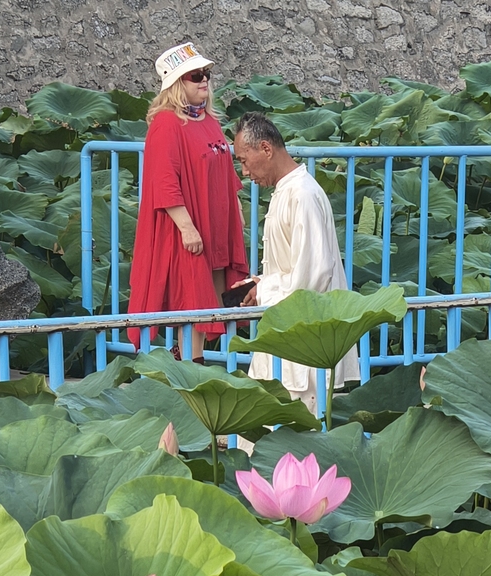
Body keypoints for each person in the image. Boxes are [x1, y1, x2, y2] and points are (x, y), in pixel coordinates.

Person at [127, 42, 249, 360]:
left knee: (217, 300)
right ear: (177, 84)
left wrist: (236, 210)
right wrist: (186, 226)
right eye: (196, 75)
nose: (204, 80)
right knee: (195, 297)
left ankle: (186, 356)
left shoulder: (208, 120)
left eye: (206, 73)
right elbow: (163, 180)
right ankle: (191, 365)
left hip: (218, 226)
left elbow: (224, 171)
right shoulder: (166, 124)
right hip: (191, 224)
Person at [231, 111, 358, 415]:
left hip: (305, 345)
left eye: (244, 161)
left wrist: (264, 290)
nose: (245, 172)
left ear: (266, 148)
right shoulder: (288, 191)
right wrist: (262, 284)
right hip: (289, 336)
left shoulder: (301, 194)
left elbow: (313, 275)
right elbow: (294, 269)